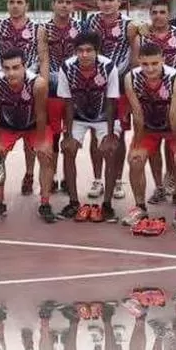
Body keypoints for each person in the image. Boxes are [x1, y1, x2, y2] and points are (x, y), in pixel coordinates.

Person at [123, 41, 176, 231]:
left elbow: (175, 115)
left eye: (154, 63)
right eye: (145, 64)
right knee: (135, 160)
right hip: (148, 128)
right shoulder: (130, 78)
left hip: (174, 127)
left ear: (163, 59)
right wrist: (137, 144)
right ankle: (140, 206)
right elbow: (137, 113)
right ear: (139, 62)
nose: (150, 68)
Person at [131, 0, 176, 205]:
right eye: (154, 12)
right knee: (153, 147)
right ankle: (159, 186)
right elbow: (134, 67)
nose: (158, 16)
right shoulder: (142, 36)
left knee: (174, 145)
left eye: (162, 12)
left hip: (175, 97)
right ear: (150, 15)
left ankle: (175, 183)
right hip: (150, 101)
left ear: (169, 15)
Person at [0, 47, 54, 222]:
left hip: (33, 125)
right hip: (8, 126)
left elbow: (41, 114)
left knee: (45, 156)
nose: (11, 72)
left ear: (25, 67)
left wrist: (40, 142)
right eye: (6, 68)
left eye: (16, 67)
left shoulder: (38, 84)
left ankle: (45, 203)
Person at [56, 32, 119, 222]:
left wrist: (109, 135)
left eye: (89, 50)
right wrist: (67, 134)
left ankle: (107, 204)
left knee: (110, 150)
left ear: (97, 51)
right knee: (68, 149)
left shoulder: (108, 66)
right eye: (80, 51)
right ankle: (73, 202)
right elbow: (67, 102)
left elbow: (111, 102)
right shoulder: (66, 67)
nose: (84, 54)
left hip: (103, 117)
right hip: (77, 117)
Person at [83, 0, 133, 202]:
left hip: (120, 87)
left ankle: (119, 180)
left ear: (119, 1)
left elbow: (134, 58)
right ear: (97, 2)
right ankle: (97, 179)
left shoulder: (131, 26)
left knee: (118, 134)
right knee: (96, 132)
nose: (106, 4)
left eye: (111, 0)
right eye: (103, 0)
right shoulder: (90, 22)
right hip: (95, 87)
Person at [0, 0, 41, 196]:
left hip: (29, 84)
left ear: (26, 5)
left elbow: (42, 55)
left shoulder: (38, 29)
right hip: (5, 84)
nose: (15, 5)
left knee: (30, 132)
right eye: (11, 2)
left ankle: (29, 174)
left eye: (19, 2)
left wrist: (35, 79)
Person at [38, 0, 81, 194]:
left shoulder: (80, 28)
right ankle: (52, 175)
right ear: (53, 4)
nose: (65, 5)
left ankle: (67, 177)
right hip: (53, 89)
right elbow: (43, 58)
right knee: (53, 135)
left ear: (73, 6)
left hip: (73, 89)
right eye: (61, 1)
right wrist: (46, 85)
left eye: (68, 2)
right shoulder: (44, 29)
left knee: (71, 134)